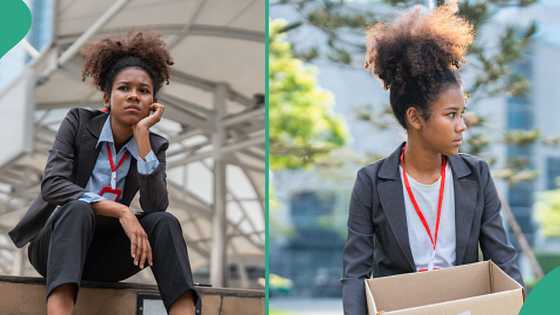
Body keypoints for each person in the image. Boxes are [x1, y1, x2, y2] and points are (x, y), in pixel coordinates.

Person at [341, 4, 523, 315]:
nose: (461, 125)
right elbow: (356, 273)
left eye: (461, 114)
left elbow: (503, 260)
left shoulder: (476, 175)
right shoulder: (371, 182)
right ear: (415, 117)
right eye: (450, 115)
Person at [9, 32, 200, 315]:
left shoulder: (154, 145)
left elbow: (155, 206)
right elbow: (53, 185)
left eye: (144, 91)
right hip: (57, 246)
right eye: (124, 88)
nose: (134, 95)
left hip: (104, 257)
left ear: (153, 104)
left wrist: (143, 138)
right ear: (107, 97)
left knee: (164, 222)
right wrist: (121, 212)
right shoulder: (77, 122)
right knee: (77, 208)